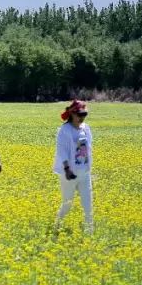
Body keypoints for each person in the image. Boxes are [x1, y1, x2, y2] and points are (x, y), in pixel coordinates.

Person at [53, 99, 93, 234]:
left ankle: (89, 231)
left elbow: (89, 148)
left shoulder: (86, 128)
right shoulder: (64, 130)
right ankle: (57, 224)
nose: (81, 118)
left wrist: (88, 168)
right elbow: (61, 150)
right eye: (79, 115)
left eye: (84, 115)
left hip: (84, 172)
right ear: (71, 114)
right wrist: (67, 169)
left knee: (88, 203)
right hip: (69, 173)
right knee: (68, 203)